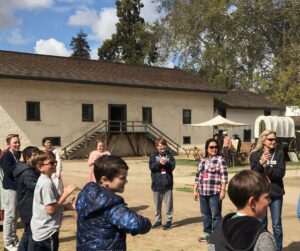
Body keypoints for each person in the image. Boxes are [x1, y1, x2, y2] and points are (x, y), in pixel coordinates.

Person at [76, 155, 151, 250]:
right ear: (105, 180)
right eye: (122, 178)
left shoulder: (86, 194)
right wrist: (147, 222)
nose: (126, 181)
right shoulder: (111, 205)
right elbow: (137, 225)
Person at [208, 170, 277, 251]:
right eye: (266, 197)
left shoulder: (217, 233)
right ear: (252, 202)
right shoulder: (263, 238)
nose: (270, 201)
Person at [30, 150, 76, 251]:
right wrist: (65, 194)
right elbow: (50, 210)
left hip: (41, 229)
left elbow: (51, 204)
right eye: (51, 163)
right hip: (47, 232)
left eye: (55, 162)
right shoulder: (46, 184)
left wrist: (67, 206)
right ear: (40, 167)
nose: (54, 164)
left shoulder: (45, 180)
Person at [249, 130, 285, 251]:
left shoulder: (279, 154)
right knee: (261, 224)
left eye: (275, 139)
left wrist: (267, 168)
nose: (273, 141)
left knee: (277, 225)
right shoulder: (255, 155)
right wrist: (261, 162)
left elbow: (280, 174)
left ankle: (278, 248)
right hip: (260, 194)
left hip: (275, 194)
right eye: (270, 139)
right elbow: (254, 173)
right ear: (263, 141)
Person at [193, 138, 228, 242]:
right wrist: (195, 190)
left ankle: (217, 235)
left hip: (215, 192)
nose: (214, 149)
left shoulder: (220, 160)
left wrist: (223, 190)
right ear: (207, 148)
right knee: (205, 214)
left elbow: (224, 177)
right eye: (211, 147)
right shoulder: (202, 161)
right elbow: (198, 176)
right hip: (203, 192)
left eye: (216, 147)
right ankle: (207, 233)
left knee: (216, 215)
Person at [13, 146, 40, 251]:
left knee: (28, 233)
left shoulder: (27, 169)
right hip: (29, 207)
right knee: (32, 234)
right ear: (28, 159)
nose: (38, 158)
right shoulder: (28, 172)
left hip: (27, 206)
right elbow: (37, 188)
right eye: (35, 156)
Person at [149, 138, 176, 230]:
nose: (162, 147)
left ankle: (168, 221)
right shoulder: (153, 155)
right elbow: (151, 167)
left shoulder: (170, 155)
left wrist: (166, 162)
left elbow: (172, 166)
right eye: (159, 145)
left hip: (167, 184)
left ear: (165, 146)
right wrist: (159, 162)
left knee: (168, 205)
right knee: (157, 205)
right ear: (157, 147)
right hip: (156, 184)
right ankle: (158, 221)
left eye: (163, 145)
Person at [1, 134, 21, 251]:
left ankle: (13, 238)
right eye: (15, 143)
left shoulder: (17, 154)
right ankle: (7, 242)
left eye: (18, 142)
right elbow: (8, 172)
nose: (17, 144)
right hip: (10, 188)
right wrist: (20, 164)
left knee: (14, 216)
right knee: (9, 216)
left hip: (16, 188)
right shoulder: (7, 156)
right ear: (9, 144)